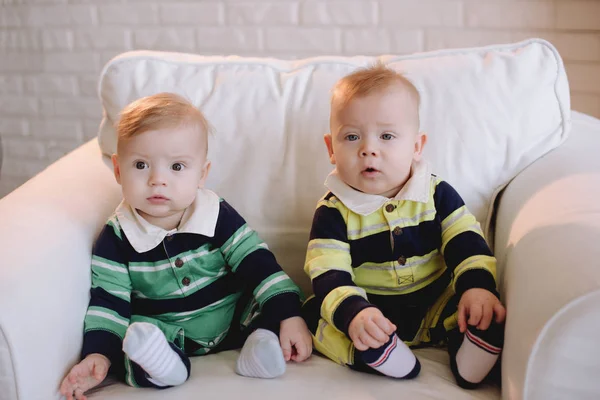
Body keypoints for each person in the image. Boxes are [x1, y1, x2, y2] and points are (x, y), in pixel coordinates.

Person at [60, 93, 312, 400]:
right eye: (141, 164)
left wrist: (289, 315)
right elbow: (108, 302)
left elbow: (255, 260)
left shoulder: (215, 213)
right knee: (135, 342)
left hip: (231, 317)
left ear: (201, 175)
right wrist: (97, 354)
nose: (157, 180)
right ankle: (165, 369)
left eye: (177, 167)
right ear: (117, 170)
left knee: (268, 305)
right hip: (167, 332)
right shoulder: (116, 237)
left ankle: (260, 346)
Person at [301, 64, 505, 388]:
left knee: (470, 307)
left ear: (416, 146)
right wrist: (355, 313)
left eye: (387, 136)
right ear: (331, 149)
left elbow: (466, 240)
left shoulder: (435, 194)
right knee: (318, 315)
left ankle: (474, 345)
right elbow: (328, 272)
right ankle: (376, 353)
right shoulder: (333, 211)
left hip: (437, 303)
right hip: (372, 312)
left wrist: (477, 287)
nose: (369, 148)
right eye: (352, 136)